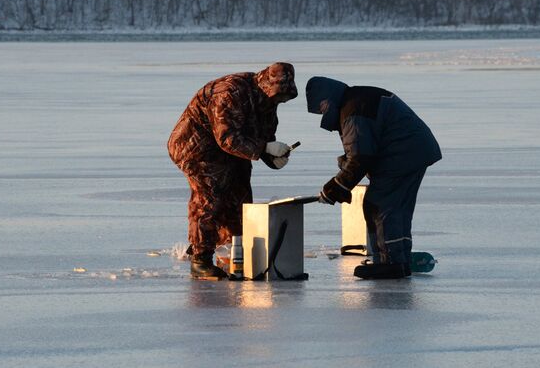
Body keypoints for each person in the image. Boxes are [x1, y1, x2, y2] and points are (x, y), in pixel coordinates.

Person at [168, 63, 297, 279]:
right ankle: (200, 258)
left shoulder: (267, 100)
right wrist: (264, 148)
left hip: (230, 152)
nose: (280, 101)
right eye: (278, 96)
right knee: (209, 197)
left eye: (283, 98)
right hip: (196, 148)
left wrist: (271, 157)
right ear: (268, 86)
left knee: (240, 198)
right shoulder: (230, 92)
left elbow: (262, 134)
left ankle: (230, 251)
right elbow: (227, 138)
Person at [306, 76, 441, 279]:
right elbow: (365, 147)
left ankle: (390, 262)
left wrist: (337, 186)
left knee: (379, 205)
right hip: (415, 151)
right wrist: (345, 169)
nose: (323, 115)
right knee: (398, 207)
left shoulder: (353, 109)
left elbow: (361, 156)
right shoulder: (357, 99)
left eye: (322, 110)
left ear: (327, 102)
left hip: (402, 155)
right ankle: (400, 258)